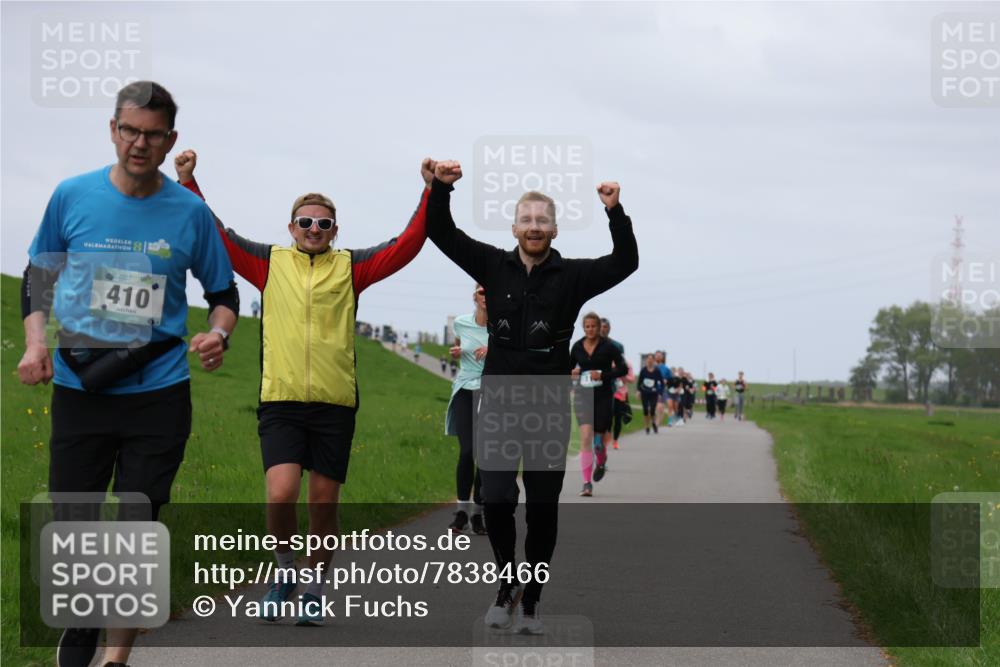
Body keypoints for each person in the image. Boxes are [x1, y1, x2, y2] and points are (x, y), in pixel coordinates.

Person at [18, 81, 239, 667]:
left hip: (158, 392)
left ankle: (116, 658)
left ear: (170, 141)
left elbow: (223, 294)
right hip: (78, 388)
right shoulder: (72, 196)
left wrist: (217, 333)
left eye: (152, 134)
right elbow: (38, 275)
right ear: (113, 130)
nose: (139, 143)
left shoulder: (190, 213)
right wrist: (35, 343)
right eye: (129, 130)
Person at [174, 149, 432, 626]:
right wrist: (189, 180)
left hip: (335, 403)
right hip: (281, 399)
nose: (315, 230)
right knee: (280, 494)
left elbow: (409, 243)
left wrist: (432, 190)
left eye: (324, 224)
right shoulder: (267, 263)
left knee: (323, 503)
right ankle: (284, 573)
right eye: (305, 222)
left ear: (336, 231)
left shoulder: (352, 267)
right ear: (290, 227)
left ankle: (315, 585)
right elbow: (216, 232)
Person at [424, 160, 638, 634]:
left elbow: (626, 262)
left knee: (542, 508)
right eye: (527, 220)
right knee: (496, 498)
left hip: (545, 404)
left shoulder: (572, 276)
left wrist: (615, 212)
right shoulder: (492, 265)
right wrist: (439, 189)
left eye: (543, 221)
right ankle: (506, 586)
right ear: (514, 226)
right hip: (498, 402)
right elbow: (440, 232)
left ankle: (534, 598)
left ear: (555, 228)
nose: (535, 227)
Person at [445, 284, 489, 535]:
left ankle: (478, 513)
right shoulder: (461, 323)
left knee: (484, 453)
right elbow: (459, 348)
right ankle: (461, 511)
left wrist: (493, 350)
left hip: (491, 391)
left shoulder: (503, 327)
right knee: (467, 450)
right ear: (475, 296)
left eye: (491, 291)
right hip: (464, 389)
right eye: (482, 292)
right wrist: (456, 353)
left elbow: (514, 354)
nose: (486, 296)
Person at [571, 312, 627, 495]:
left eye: (593, 326)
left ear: (598, 327)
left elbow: (622, 369)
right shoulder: (577, 347)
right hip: (582, 395)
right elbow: (568, 367)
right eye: (587, 326)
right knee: (586, 437)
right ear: (583, 328)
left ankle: (601, 460)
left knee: (598, 441)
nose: (590, 329)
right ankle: (586, 483)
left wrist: (603, 375)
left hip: (603, 395)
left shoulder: (609, 347)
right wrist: (572, 372)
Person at [598, 317, 628, 450]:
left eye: (605, 327)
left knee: (606, 420)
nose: (603, 329)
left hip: (609, 386)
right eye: (601, 327)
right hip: (589, 387)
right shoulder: (585, 345)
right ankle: (595, 447)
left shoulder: (617, 346)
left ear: (609, 329)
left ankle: (601, 453)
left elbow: (622, 367)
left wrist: (610, 373)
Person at [637, 354, 664, 435]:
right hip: (644, 392)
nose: (650, 360)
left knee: (652, 410)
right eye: (648, 359)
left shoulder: (657, 371)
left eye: (651, 359)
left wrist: (660, 393)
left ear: (654, 360)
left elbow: (662, 383)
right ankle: (647, 427)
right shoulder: (643, 370)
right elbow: (639, 382)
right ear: (646, 360)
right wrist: (638, 391)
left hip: (653, 393)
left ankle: (653, 423)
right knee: (645, 410)